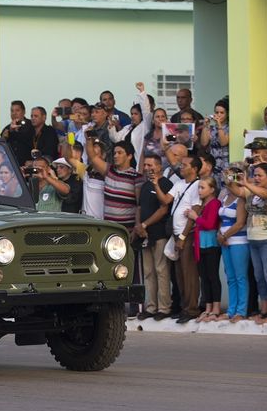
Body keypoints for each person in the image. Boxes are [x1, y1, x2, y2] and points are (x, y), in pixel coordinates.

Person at [155, 155, 202, 324]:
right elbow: (166, 200)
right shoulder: (180, 183)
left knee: (189, 273)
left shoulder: (197, 185)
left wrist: (182, 236)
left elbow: (194, 212)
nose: (181, 167)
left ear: (195, 169)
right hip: (176, 235)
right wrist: (155, 185)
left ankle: (192, 309)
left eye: (185, 165)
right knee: (179, 274)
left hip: (186, 235)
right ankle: (184, 308)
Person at [237, 163, 267, 324]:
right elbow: (238, 191)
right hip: (253, 239)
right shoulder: (253, 192)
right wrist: (231, 179)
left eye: (260, 175)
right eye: (255, 175)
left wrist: (247, 183)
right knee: (259, 276)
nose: (257, 178)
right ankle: (265, 308)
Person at [136, 154, 173, 320]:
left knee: (161, 271)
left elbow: (163, 208)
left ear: (159, 166)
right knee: (148, 273)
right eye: (145, 165)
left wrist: (145, 225)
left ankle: (164, 308)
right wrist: (138, 226)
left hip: (159, 234)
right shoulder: (144, 186)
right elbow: (139, 207)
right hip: (144, 236)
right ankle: (150, 307)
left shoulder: (165, 183)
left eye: (150, 165)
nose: (147, 168)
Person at [185, 176, 222, 322]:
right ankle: (208, 307)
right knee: (204, 278)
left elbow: (210, 224)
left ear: (212, 190)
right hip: (200, 245)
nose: (199, 190)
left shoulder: (215, 203)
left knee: (213, 276)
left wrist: (195, 217)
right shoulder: (202, 205)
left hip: (211, 244)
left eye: (203, 187)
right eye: (199, 187)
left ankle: (216, 307)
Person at [86, 139, 143, 232]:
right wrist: (89, 137)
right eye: (114, 153)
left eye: (120, 153)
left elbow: (139, 205)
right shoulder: (109, 170)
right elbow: (92, 156)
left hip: (126, 230)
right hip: (108, 228)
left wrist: (137, 226)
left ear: (129, 156)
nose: (115, 156)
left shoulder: (136, 177)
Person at [218, 167, 249, 322]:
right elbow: (221, 219)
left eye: (229, 174)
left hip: (238, 241)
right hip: (225, 241)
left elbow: (240, 223)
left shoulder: (241, 197)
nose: (226, 176)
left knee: (240, 277)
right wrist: (219, 234)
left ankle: (241, 310)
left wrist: (224, 235)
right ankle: (231, 310)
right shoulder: (225, 195)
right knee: (230, 277)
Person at [199, 99, 229, 178]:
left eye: (222, 113)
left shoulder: (229, 128)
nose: (219, 115)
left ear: (227, 114)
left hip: (224, 163)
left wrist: (219, 125)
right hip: (213, 162)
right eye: (217, 112)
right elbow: (204, 143)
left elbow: (223, 142)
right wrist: (206, 126)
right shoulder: (212, 128)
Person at [0, 100, 35, 167]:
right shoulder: (7, 128)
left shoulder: (30, 125)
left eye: (17, 110)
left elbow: (26, 138)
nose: (14, 113)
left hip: (26, 163)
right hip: (10, 164)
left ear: (24, 112)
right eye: (12, 111)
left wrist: (14, 131)